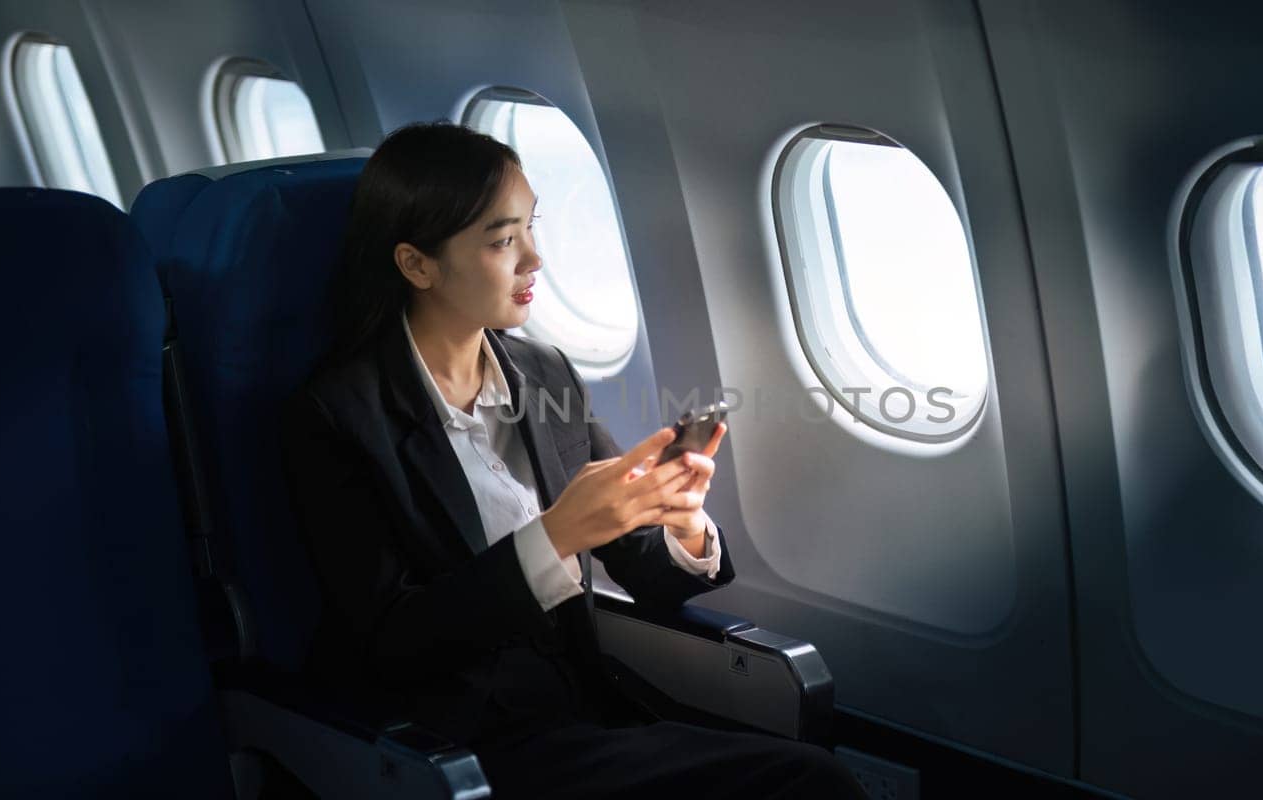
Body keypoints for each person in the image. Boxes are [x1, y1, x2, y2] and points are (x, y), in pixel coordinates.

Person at [279, 121, 864, 799]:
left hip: (586, 712)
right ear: (417, 265)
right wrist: (557, 536)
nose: (534, 259)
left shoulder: (543, 373)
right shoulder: (335, 415)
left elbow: (647, 574)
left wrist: (681, 522)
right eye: (502, 240)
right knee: (806, 782)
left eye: (532, 228)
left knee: (808, 776)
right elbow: (391, 639)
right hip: (458, 746)